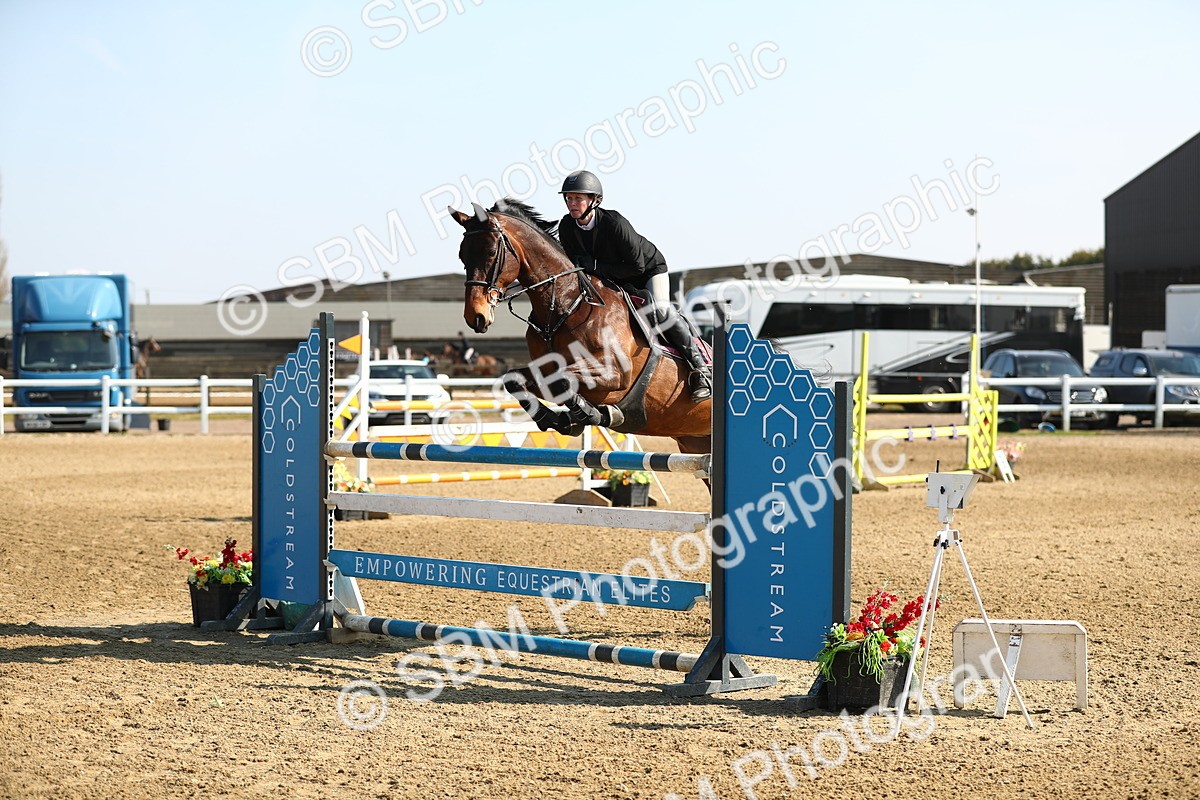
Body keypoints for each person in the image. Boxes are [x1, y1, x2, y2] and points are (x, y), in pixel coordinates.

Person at [556, 170, 711, 401]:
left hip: (647, 270)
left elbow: (636, 267)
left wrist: (595, 265)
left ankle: (699, 368)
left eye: (578, 198)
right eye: (569, 198)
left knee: (660, 310)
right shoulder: (567, 226)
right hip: (613, 279)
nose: (572, 203)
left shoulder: (614, 223)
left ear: (594, 201)